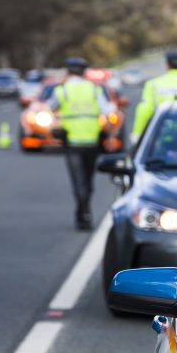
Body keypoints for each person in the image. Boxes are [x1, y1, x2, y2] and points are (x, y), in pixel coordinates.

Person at [48, 57, 111, 230]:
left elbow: (50, 107)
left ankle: (83, 212)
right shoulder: (94, 89)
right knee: (88, 179)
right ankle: (85, 209)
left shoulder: (63, 90)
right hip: (92, 141)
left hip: (73, 142)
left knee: (78, 179)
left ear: (68, 72)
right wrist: (110, 135)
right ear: (84, 72)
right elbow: (108, 110)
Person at [130, 50, 177, 144]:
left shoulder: (152, 84)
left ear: (167, 65)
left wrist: (137, 136)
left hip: (161, 138)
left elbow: (144, 110)